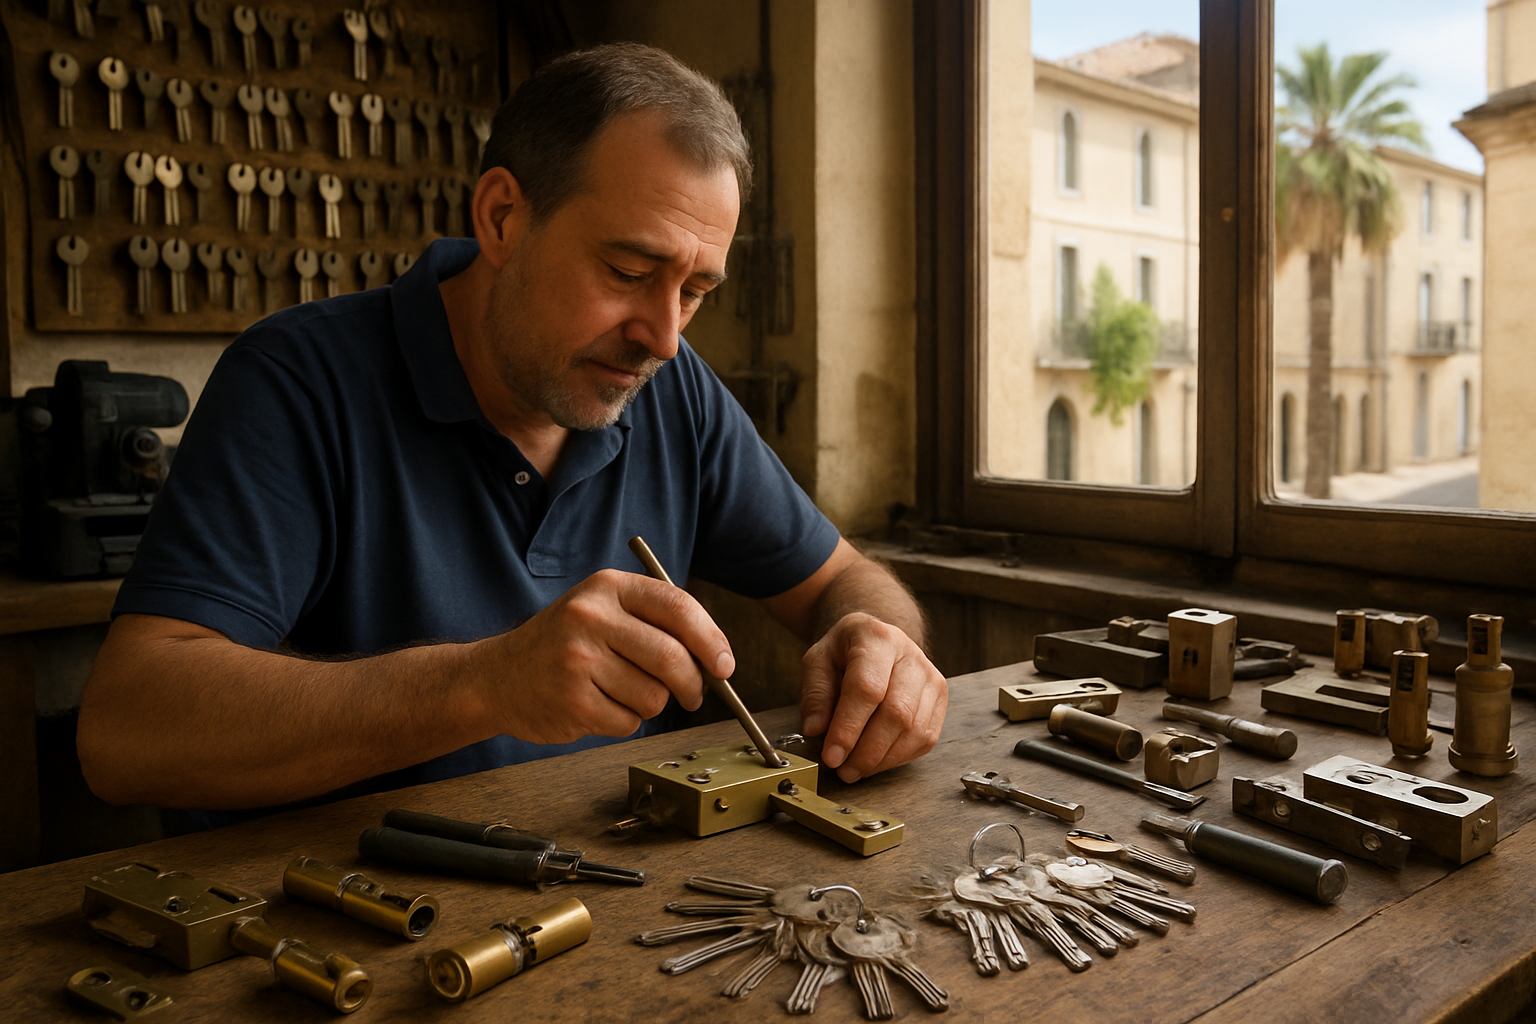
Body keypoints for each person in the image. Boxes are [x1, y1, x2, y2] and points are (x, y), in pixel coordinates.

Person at [77, 43, 946, 821]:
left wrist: (882, 641)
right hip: (351, 917)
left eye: (694, 292)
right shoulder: (298, 382)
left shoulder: (671, 387)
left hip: (618, 900)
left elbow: (843, 578)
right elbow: (126, 731)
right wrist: (485, 683)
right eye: (628, 270)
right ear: (501, 218)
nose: (664, 337)